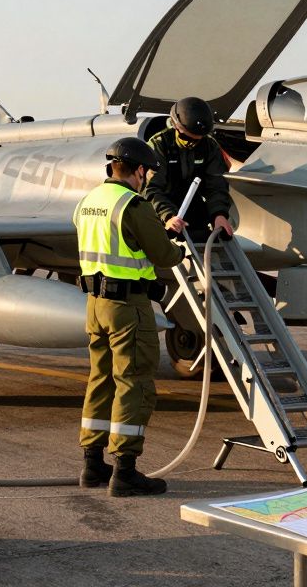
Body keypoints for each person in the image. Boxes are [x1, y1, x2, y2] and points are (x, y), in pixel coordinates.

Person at [73, 137, 185, 496]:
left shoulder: (89, 201)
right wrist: (176, 244)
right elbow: (163, 255)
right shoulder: (133, 205)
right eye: (146, 172)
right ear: (137, 170)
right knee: (133, 382)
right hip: (127, 308)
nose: (146, 178)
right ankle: (124, 471)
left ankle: (92, 464)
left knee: (100, 379)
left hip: (95, 305)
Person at [145, 97, 234, 238]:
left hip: (194, 211)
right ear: (175, 127)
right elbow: (151, 189)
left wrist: (219, 214)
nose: (192, 143)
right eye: (187, 138)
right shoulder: (159, 146)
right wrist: (168, 216)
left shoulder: (210, 146)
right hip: (163, 213)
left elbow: (216, 186)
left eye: (197, 140)